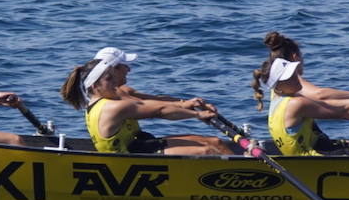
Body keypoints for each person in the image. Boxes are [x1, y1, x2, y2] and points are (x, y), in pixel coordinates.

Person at [59, 47, 234, 155]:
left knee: (215, 142)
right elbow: (160, 111)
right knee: (207, 151)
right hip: (129, 159)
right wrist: (197, 115)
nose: (115, 85)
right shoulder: (112, 107)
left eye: (113, 78)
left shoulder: (110, 98)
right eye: (109, 80)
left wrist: (186, 104)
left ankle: (247, 170)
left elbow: (156, 103)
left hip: (140, 144)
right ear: (95, 86)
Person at [252, 31, 349, 112]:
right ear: (295, 57)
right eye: (302, 56)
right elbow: (320, 95)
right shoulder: (291, 81)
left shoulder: (275, 81)